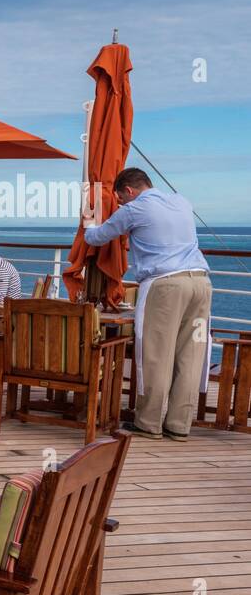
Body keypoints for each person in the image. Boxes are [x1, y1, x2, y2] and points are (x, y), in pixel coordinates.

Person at [84, 167, 212, 441]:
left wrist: (88, 223)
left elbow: (97, 237)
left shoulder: (134, 210)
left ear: (129, 191)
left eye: (120, 199)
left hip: (165, 285)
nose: (120, 204)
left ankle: (148, 422)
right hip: (201, 284)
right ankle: (179, 425)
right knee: (191, 356)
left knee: (155, 355)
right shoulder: (181, 201)